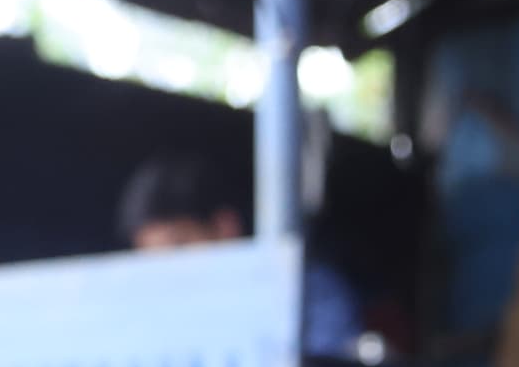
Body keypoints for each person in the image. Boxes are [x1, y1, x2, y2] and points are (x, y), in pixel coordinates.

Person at [117, 150, 362, 352]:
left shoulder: (307, 293)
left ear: (225, 227)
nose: (169, 273)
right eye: (153, 262)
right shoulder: (153, 320)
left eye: (179, 246)